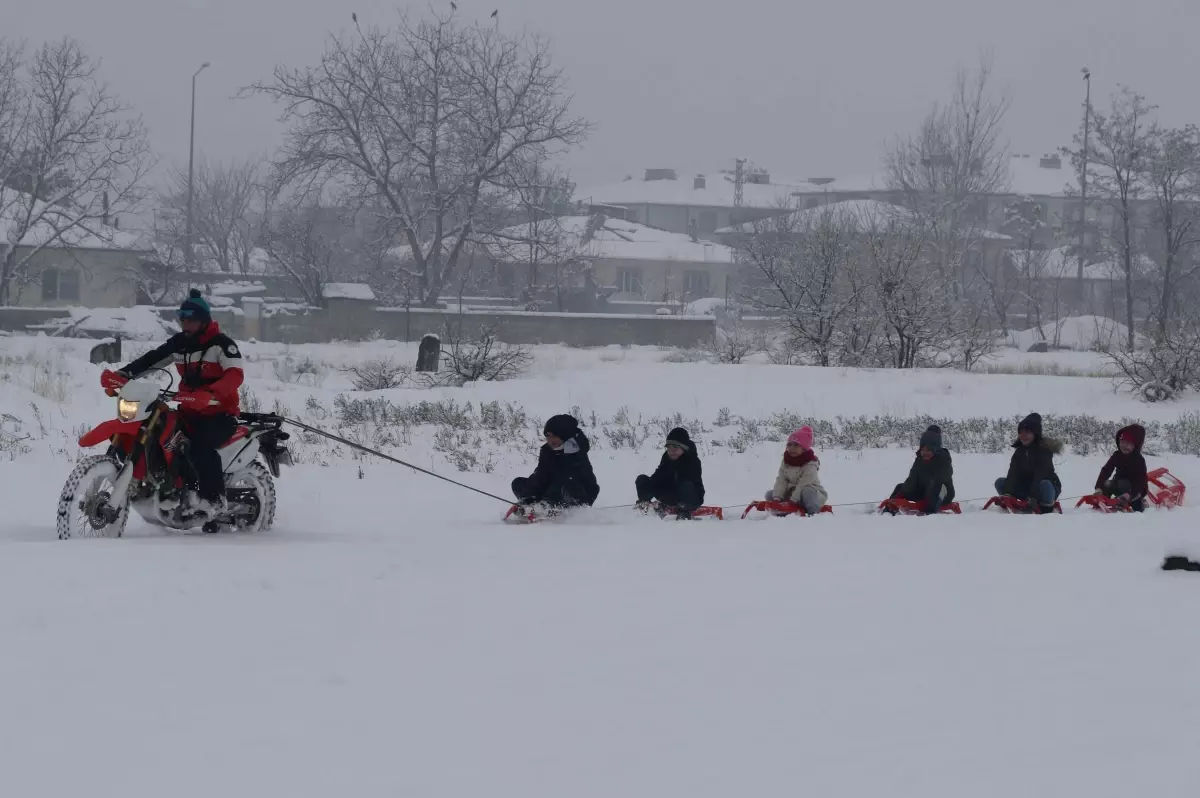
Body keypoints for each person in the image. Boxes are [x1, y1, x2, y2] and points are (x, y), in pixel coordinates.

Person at [110, 289, 245, 517]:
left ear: (203, 320)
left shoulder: (221, 345)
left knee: (201, 446)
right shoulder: (180, 343)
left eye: (190, 320)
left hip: (219, 415)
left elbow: (235, 375)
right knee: (166, 437)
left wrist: (211, 393)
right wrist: (124, 374)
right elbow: (152, 359)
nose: (185, 324)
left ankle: (215, 499)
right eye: (182, 319)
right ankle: (171, 486)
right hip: (189, 411)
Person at [512, 414, 600, 509]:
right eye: (548, 436)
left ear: (564, 436)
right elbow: (540, 476)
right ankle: (535, 505)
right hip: (553, 491)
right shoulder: (547, 451)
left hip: (578, 495)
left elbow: (575, 482)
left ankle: (546, 507)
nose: (550, 440)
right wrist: (527, 497)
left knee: (560, 484)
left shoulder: (576, 452)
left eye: (554, 436)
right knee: (518, 483)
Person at [995, 413, 1062, 512]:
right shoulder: (1019, 452)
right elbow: (1013, 473)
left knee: (1045, 484)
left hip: (1043, 488)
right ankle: (1015, 503)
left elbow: (1040, 474)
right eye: (1020, 432)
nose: (1023, 436)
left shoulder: (1044, 451)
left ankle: (1046, 506)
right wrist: (1007, 494)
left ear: (1035, 433)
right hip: (1026, 488)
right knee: (1000, 482)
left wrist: (1033, 496)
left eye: (1027, 432)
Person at [635, 427, 705, 519]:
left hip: (690, 498)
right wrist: (649, 486)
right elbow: (659, 475)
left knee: (685, 485)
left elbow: (689, 481)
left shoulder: (692, 460)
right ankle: (645, 505)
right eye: (669, 447)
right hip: (671, 496)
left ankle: (684, 512)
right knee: (642, 479)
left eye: (676, 447)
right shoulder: (667, 458)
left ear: (684, 448)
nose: (672, 451)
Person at [890, 425, 955, 514]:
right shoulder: (919, 460)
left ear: (935, 449)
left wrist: (930, 493)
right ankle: (889, 508)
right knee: (900, 487)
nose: (925, 453)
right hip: (924, 492)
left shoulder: (943, 459)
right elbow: (912, 478)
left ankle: (929, 514)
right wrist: (903, 492)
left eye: (928, 450)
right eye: (922, 450)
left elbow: (944, 475)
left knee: (936, 486)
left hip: (943, 494)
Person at [766, 426, 828, 514]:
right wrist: (777, 498)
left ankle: (813, 514)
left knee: (807, 492)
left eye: (796, 445)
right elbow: (781, 480)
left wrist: (793, 500)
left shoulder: (810, 464)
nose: (792, 448)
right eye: (789, 445)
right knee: (770, 494)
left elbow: (803, 484)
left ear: (804, 448)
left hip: (812, 494)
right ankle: (782, 512)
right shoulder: (786, 462)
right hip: (793, 495)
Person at [1094, 424, 1148, 511]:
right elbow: (1106, 470)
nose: (1124, 445)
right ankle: (1103, 501)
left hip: (1135, 489)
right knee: (1107, 484)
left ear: (1135, 445)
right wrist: (1099, 487)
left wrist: (1130, 494)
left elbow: (1140, 481)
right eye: (1122, 442)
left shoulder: (1139, 460)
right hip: (1119, 484)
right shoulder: (1117, 455)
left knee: (1137, 506)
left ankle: (1141, 506)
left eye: (1128, 443)